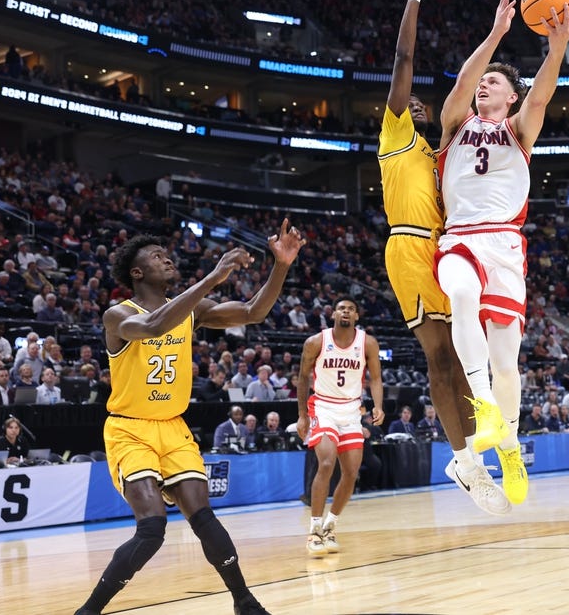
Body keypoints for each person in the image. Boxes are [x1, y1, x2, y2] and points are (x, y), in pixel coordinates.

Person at [74, 219, 303, 615]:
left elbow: (252, 311)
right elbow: (151, 326)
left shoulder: (191, 309)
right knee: (152, 529)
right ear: (137, 272)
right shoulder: (118, 315)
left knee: (203, 516)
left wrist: (280, 265)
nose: (167, 258)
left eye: (167, 253)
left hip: (174, 428)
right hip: (131, 430)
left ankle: (244, 602)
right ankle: (89, 610)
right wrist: (214, 277)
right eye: (156, 256)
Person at [433, 0, 569, 508]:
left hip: (506, 246)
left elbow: (542, 93)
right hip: (460, 240)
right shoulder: (454, 123)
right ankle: (486, 410)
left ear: (510, 95)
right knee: (461, 296)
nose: (482, 87)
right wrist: (496, 33)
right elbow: (460, 84)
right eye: (481, 83)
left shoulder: (519, 129)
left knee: (506, 361)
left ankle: (511, 446)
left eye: (493, 83)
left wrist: (557, 47)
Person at [376, 0, 508, 517]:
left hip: (450, 251)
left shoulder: (442, 156)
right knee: (438, 359)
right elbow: (404, 61)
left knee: (465, 357)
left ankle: (470, 457)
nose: (420, 106)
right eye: (415, 103)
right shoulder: (397, 135)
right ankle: (463, 454)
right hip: (408, 245)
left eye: (425, 106)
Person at [296, 297, 384, 557]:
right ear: (333, 313)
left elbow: (376, 377)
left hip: (351, 409)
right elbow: (302, 378)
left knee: (351, 472)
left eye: (351, 309)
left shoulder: (367, 342)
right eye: (342, 308)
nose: (346, 311)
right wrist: (302, 415)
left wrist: (377, 405)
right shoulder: (315, 342)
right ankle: (313, 531)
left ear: (356, 316)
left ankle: (330, 525)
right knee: (326, 464)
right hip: (323, 406)